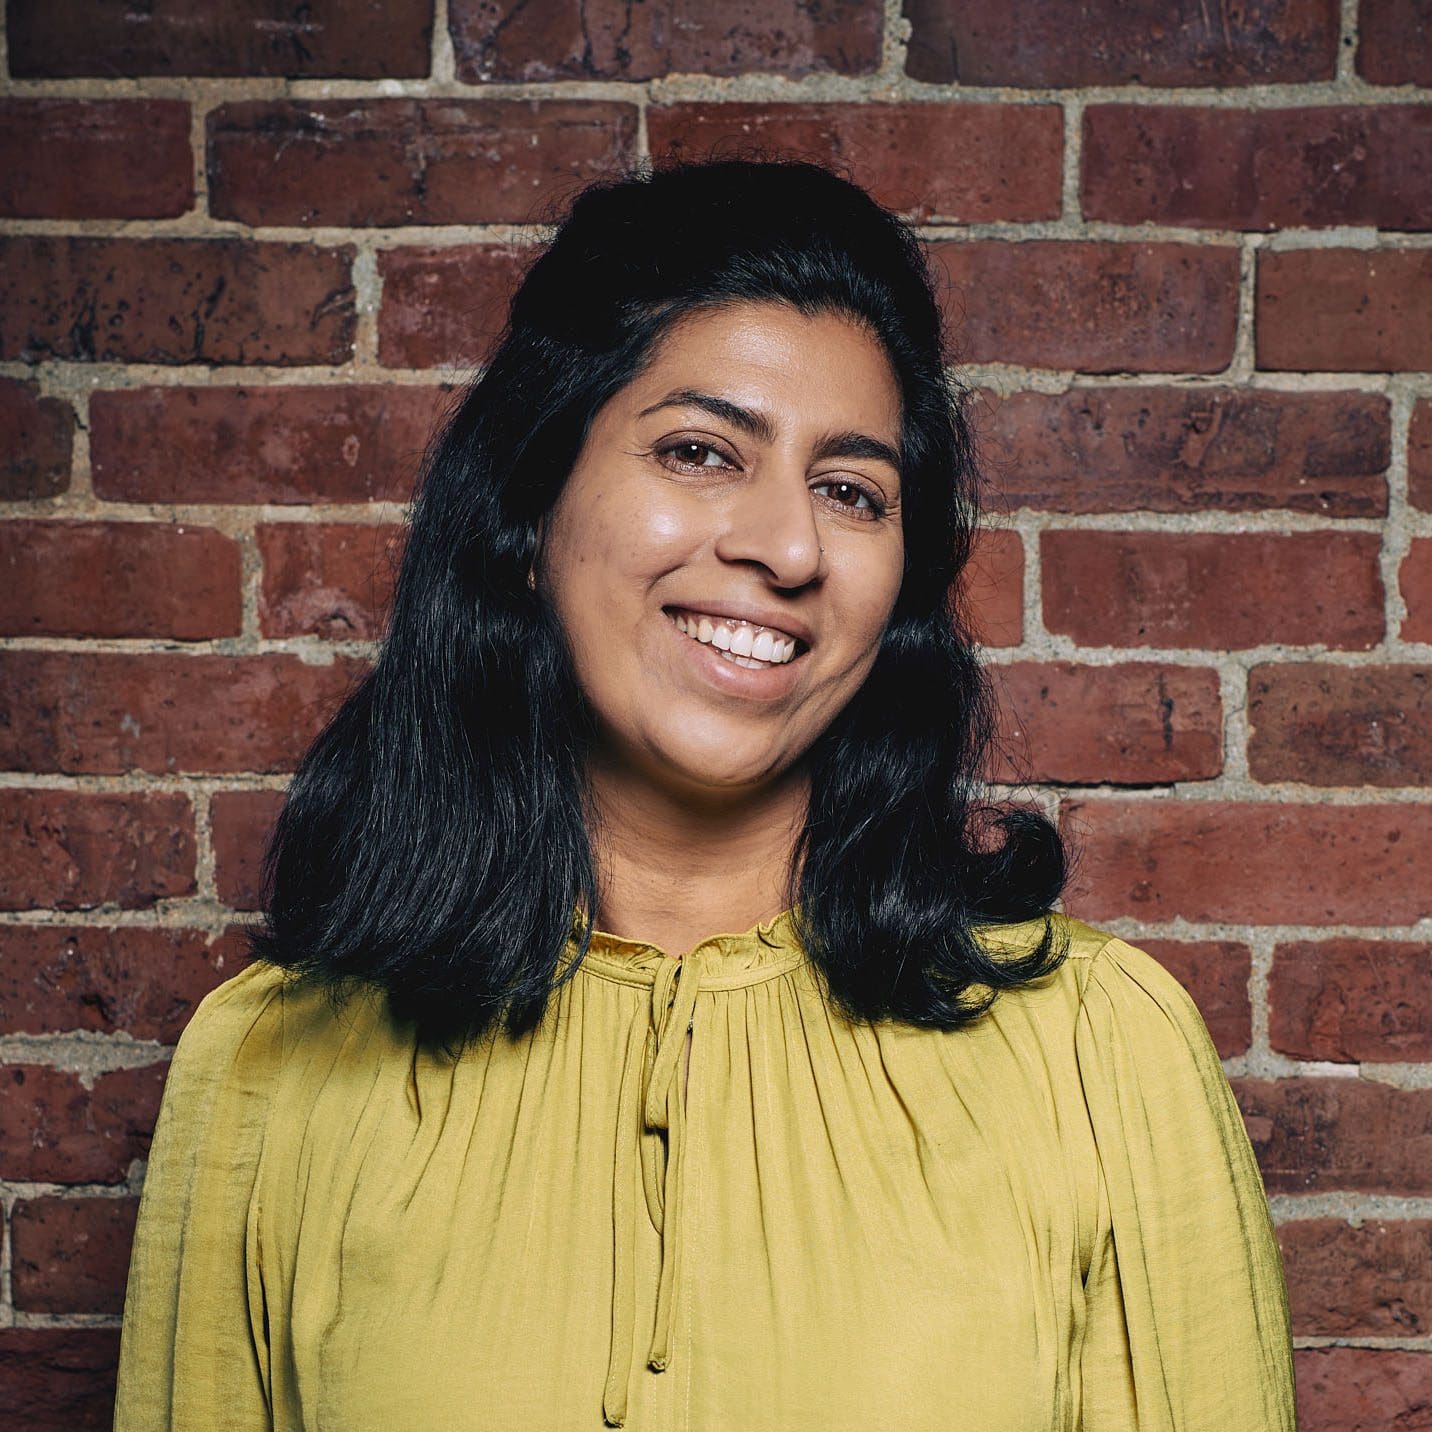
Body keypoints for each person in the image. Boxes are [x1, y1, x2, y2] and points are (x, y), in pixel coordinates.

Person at [113, 155, 1296, 1430]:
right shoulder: (268, 1070)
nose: (785, 548)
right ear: (530, 508)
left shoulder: (1099, 1058)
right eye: (699, 450)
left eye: (851, 492)